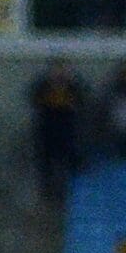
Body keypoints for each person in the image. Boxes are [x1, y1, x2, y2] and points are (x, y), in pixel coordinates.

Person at [30, 57, 87, 200]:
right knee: (46, 163)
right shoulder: (43, 86)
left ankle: (67, 192)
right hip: (47, 130)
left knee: (67, 161)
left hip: (67, 130)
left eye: (63, 69)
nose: (59, 73)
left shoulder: (74, 86)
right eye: (56, 69)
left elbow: (82, 100)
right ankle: (47, 192)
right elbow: (34, 100)